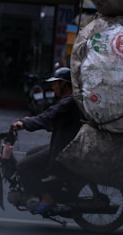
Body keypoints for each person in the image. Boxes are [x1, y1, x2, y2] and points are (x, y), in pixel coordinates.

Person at [13, 67, 82, 214]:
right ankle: (47, 185)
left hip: (64, 149)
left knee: (23, 166)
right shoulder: (68, 100)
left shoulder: (69, 102)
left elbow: (48, 117)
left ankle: (47, 197)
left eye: (55, 84)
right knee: (31, 152)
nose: (53, 87)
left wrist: (25, 124)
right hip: (64, 142)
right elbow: (50, 117)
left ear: (63, 84)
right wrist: (30, 120)